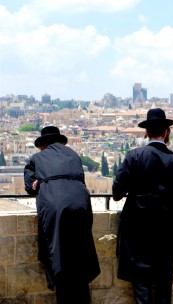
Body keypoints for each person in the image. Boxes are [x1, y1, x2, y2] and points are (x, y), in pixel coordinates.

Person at [113, 108, 173, 304]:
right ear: (166, 132)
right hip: (165, 229)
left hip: (137, 229)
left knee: (141, 284)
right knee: (164, 283)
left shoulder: (134, 156)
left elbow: (117, 192)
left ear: (146, 132)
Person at [24, 126, 100, 304]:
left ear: (43, 144)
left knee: (58, 256)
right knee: (80, 256)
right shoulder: (73, 154)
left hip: (55, 206)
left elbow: (30, 187)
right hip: (80, 204)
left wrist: (40, 183)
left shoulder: (37, 158)